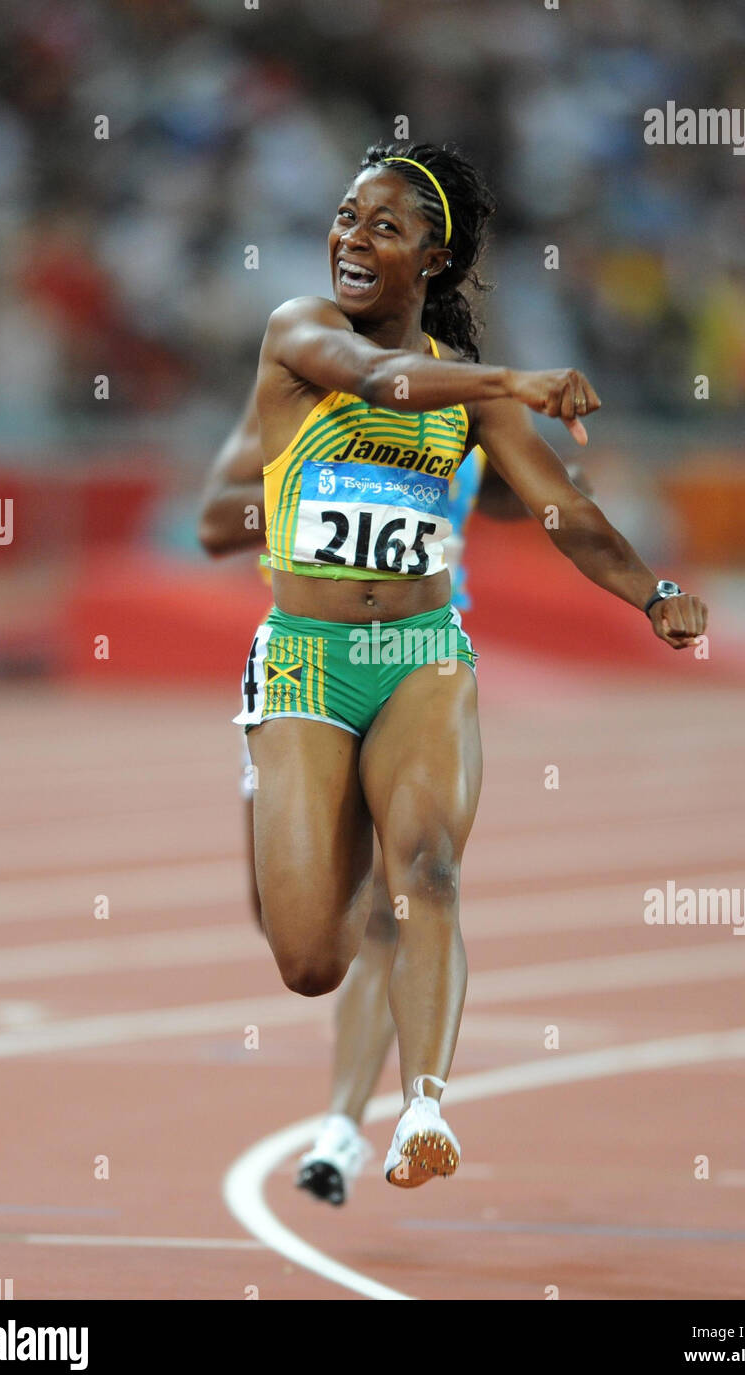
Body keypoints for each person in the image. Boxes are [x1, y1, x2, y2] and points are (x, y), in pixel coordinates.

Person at [220, 139, 707, 1191]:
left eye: (382, 226)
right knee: (308, 959)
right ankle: (326, 846)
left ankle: (422, 1112)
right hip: (305, 659)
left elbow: (561, 512)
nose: (350, 236)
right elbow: (375, 378)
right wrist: (512, 379)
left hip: (421, 654)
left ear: (432, 259)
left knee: (429, 868)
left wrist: (651, 594)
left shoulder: (468, 391)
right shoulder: (300, 334)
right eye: (347, 214)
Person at [200, 416, 529, 1203]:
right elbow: (215, 519)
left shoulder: (471, 422)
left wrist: (558, 487)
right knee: (305, 943)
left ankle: (349, 1126)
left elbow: (535, 498)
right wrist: (313, 485)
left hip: (417, 666)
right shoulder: (306, 402)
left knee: (408, 893)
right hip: (305, 665)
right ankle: (350, 1117)